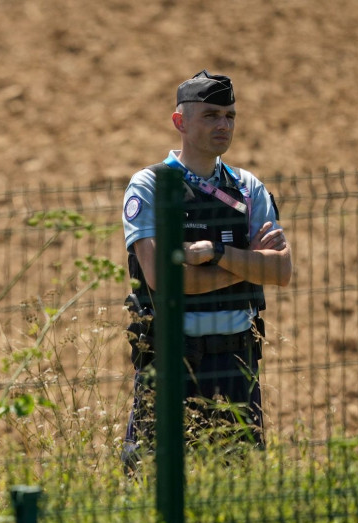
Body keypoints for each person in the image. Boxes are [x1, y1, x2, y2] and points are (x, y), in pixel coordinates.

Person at [122, 71, 293, 468]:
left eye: (230, 116)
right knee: (152, 480)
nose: (224, 124)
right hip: (171, 360)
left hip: (238, 361)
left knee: (239, 490)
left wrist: (216, 254)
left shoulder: (248, 187)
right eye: (211, 115)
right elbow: (164, 279)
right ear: (180, 122)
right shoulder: (150, 185)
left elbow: (282, 271)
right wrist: (250, 263)